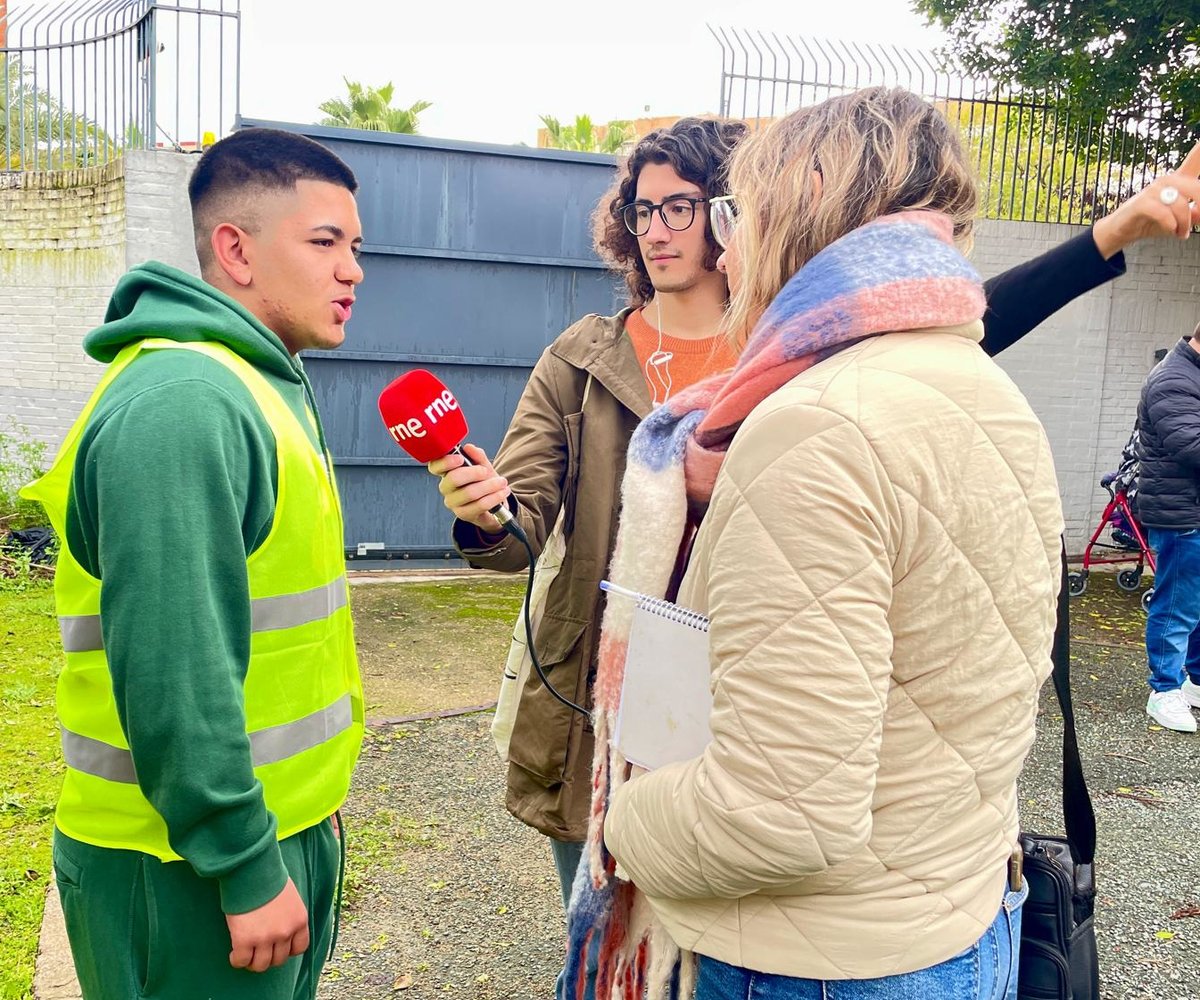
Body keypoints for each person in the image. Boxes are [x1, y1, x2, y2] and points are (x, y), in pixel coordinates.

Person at [429, 116, 1200, 998]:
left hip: (781, 749)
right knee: (625, 938)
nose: (661, 229)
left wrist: (1115, 231)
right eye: (641, 212)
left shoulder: (813, 351)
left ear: (746, 214)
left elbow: (958, 310)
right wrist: (489, 516)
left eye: (686, 205)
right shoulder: (589, 354)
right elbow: (524, 520)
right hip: (624, 705)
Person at [589, 85, 1063, 1000]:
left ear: (791, 210)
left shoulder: (815, 426)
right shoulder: (975, 381)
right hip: (953, 915)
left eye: (734, 212)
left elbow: (777, 815)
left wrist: (624, 819)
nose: (729, 243)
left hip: (826, 961)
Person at [21, 128, 366, 999]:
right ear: (235, 249)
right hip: (181, 863)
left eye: (355, 247)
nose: (352, 269)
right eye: (324, 242)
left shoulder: (258, 383)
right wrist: (245, 865)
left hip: (272, 831)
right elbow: (174, 668)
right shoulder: (186, 404)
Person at [1137, 318, 1200, 733]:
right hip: (1183, 515)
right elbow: (1190, 445)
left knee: (1195, 605)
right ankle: (1163, 690)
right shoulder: (1174, 380)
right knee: (1176, 605)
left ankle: (1192, 681)